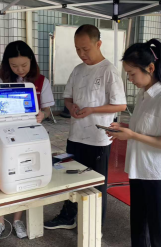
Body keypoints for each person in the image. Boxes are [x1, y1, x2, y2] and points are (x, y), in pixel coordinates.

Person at [107, 39, 161, 247]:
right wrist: (123, 130)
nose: (130, 79)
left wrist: (132, 135)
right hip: (139, 169)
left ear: (150, 68)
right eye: (128, 74)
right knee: (139, 222)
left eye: (132, 74)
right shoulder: (144, 95)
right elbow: (143, 130)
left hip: (160, 174)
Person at [44, 24, 126, 230]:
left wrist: (92, 110)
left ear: (98, 44)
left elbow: (121, 105)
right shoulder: (78, 70)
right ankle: (68, 216)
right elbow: (68, 97)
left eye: (86, 49)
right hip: (76, 135)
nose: (81, 54)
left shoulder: (109, 71)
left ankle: (94, 226)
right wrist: (71, 106)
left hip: (98, 139)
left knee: (96, 184)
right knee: (71, 178)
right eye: (77, 49)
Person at [0, 41, 55, 244]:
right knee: (0, 172)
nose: (20, 70)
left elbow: (48, 109)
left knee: (25, 172)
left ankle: (17, 219)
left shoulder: (42, 81)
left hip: (29, 132)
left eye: (24, 65)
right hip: (4, 133)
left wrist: (42, 114)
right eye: (14, 66)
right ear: (7, 64)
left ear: (32, 61)